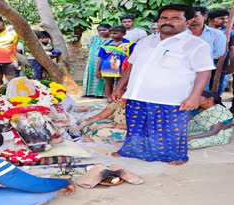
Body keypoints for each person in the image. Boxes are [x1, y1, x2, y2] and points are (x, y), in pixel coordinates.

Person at [111, 4, 215, 165]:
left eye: (175, 18)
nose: (168, 22)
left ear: (187, 21)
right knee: (136, 128)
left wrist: (195, 96)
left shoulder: (196, 45)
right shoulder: (145, 41)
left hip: (170, 99)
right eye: (164, 18)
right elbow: (131, 65)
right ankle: (132, 151)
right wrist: (119, 87)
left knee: (170, 130)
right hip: (137, 95)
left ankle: (175, 156)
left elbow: (204, 71)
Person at [188, 6, 227, 94]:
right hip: (180, 70)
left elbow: (218, 53)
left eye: (196, 16)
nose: (192, 19)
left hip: (203, 72)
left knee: (200, 95)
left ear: (205, 16)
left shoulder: (217, 34)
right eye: (190, 16)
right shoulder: (179, 33)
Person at [95, 25, 136, 102]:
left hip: (123, 67)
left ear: (123, 34)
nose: (112, 35)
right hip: (108, 65)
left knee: (121, 83)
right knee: (108, 83)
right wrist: (98, 70)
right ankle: (109, 99)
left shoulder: (130, 44)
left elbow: (133, 57)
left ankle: (119, 98)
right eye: (111, 33)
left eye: (115, 33)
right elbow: (101, 58)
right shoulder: (105, 45)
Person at [208, 8, 234, 94]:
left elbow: (231, 48)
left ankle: (215, 102)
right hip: (205, 61)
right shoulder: (204, 31)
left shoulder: (230, 32)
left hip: (222, 62)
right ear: (211, 19)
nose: (225, 21)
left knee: (218, 84)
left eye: (226, 18)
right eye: (221, 18)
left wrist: (232, 64)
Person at [82, 24, 111, 97]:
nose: (102, 32)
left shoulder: (111, 40)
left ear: (109, 30)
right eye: (99, 30)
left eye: (104, 30)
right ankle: (88, 93)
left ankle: (100, 94)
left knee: (102, 76)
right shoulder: (94, 38)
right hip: (91, 61)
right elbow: (89, 47)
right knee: (90, 75)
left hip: (105, 61)